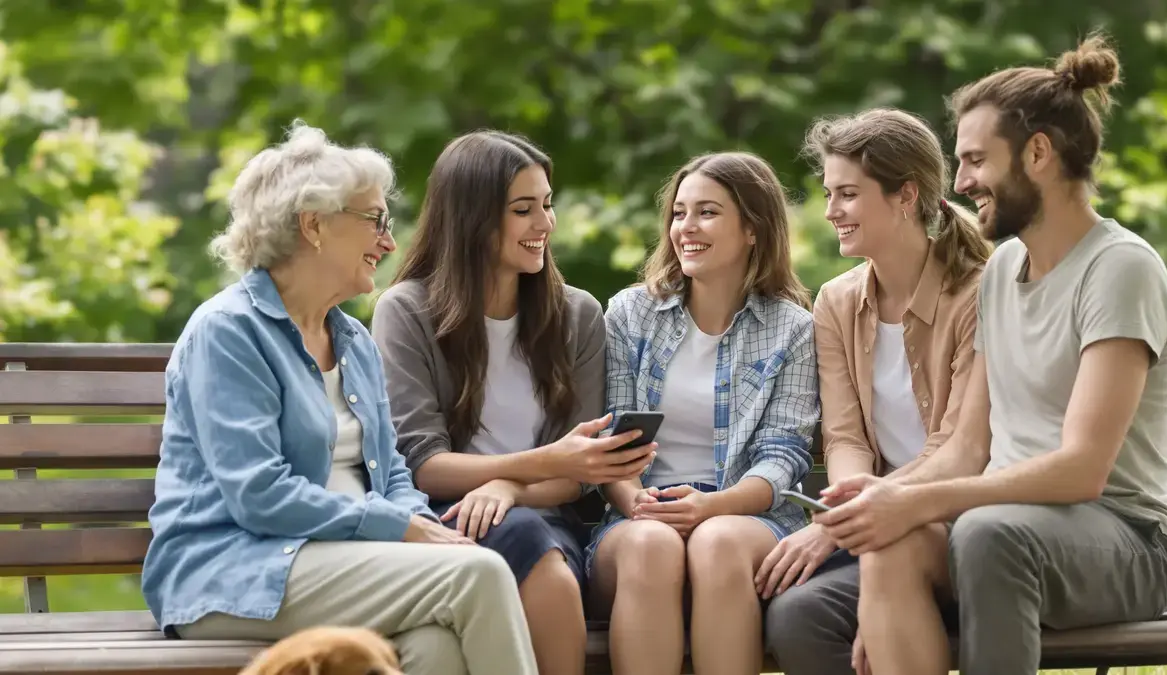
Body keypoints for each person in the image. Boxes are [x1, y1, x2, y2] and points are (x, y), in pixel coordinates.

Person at [811, 34, 1167, 675]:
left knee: (987, 535)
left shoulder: (1120, 269)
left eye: (977, 160)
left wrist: (919, 503)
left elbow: (1081, 472)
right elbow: (964, 448)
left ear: (1038, 153)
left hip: (1124, 538)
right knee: (885, 550)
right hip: (1005, 527)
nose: (959, 183)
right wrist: (883, 502)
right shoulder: (1004, 268)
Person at [140, 121, 539, 675]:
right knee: (481, 574)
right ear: (314, 226)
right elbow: (259, 494)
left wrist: (421, 527)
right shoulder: (228, 332)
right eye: (375, 219)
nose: (390, 241)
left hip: (337, 561)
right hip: (234, 568)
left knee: (434, 648)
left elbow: (393, 472)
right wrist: (400, 528)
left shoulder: (352, 339)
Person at [370, 130, 654, 675]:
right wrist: (529, 470)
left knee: (529, 531)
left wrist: (508, 485)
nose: (545, 224)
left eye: (547, 205)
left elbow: (579, 473)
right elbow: (422, 466)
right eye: (524, 209)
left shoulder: (577, 315)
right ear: (471, 219)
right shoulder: (405, 312)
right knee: (522, 535)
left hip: (554, 521)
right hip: (444, 521)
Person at [759, 108, 992, 674]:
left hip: (969, 522)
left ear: (905, 195)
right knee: (796, 617)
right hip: (882, 521)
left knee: (875, 576)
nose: (831, 211)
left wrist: (849, 523)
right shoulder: (837, 302)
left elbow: (959, 448)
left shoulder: (979, 293)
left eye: (847, 194)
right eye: (829, 194)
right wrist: (848, 517)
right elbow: (844, 438)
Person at [586, 151, 821, 675]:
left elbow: (783, 454)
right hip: (638, 514)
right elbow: (610, 438)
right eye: (679, 212)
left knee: (716, 541)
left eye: (707, 212)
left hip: (749, 518)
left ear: (753, 229)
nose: (685, 227)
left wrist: (712, 509)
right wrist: (641, 505)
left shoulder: (793, 328)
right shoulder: (630, 313)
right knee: (651, 545)